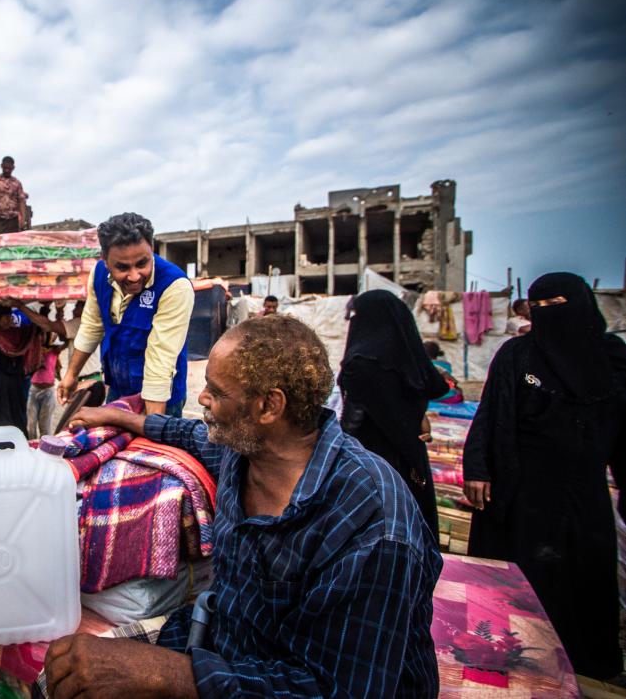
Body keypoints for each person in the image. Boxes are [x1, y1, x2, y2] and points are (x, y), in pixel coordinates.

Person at [47, 315, 441, 698]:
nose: (202, 398)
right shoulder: (242, 449)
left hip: (286, 679)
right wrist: (117, 416)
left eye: (216, 392)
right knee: (60, 679)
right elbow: (185, 431)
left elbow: (335, 688)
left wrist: (165, 675)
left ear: (269, 407)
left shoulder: (373, 527)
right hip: (226, 642)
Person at [463, 272, 626, 680]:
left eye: (557, 305)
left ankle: (588, 662)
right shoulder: (519, 354)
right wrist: (479, 468)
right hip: (524, 484)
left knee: (584, 572)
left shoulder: (611, 358)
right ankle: (513, 658)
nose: (548, 314)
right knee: (522, 573)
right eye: (539, 307)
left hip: (584, 488)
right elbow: (492, 414)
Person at [58, 213, 193, 417]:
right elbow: (92, 326)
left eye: (142, 264)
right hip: (119, 390)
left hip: (162, 397)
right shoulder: (98, 274)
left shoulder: (175, 286)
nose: (134, 276)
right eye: (122, 267)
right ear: (105, 260)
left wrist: (153, 425)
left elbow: (160, 361)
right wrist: (71, 374)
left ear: (152, 249)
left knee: (151, 447)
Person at [339, 290, 449, 535]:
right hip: (411, 457)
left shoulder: (362, 363)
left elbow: (353, 421)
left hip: (372, 462)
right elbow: (429, 389)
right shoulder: (406, 360)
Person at [0, 304, 43, 435]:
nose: (9, 320)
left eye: (9, 316)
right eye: (4, 317)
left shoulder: (18, 335)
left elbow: (36, 329)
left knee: (17, 424)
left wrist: (46, 309)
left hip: (16, 389)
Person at [0, 156, 28, 234]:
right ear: (1, 166)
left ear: (13, 168)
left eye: (9, 168)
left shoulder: (17, 183)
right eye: (5, 167)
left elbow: (21, 200)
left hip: (12, 219)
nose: (7, 170)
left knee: (12, 243)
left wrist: (23, 219)